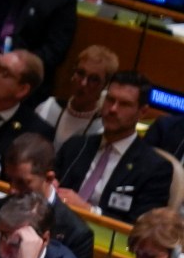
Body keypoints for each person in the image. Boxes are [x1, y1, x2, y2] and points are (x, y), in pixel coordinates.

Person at [0, 133, 98, 256]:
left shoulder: (76, 235)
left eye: (22, 182)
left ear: (49, 178)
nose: (12, 190)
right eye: (10, 180)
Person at [60, 72, 169, 219]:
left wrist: (89, 211)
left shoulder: (154, 168)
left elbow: (142, 229)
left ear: (142, 112)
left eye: (124, 104)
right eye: (110, 100)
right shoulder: (77, 146)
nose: (113, 109)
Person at [39, 46, 121, 152]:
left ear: (105, 85)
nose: (83, 83)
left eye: (94, 79)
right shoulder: (48, 107)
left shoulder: (102, 127)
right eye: (80, 73)